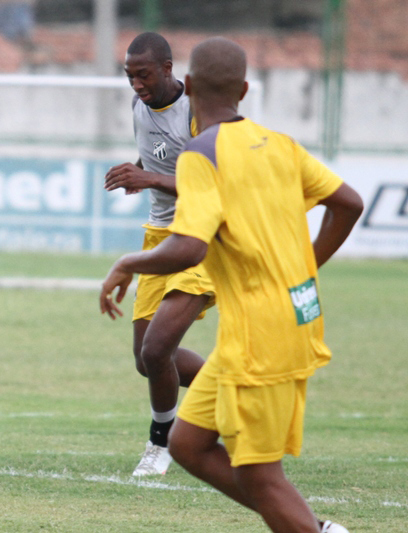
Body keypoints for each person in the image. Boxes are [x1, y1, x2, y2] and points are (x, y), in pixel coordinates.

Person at [99, 37, 361, 533]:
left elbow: (191, 248)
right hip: (280, 315)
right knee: (189, 443)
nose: (136, 83)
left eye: (145, 74)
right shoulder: (280, 144)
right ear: (244, 89)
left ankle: (320, 530)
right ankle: (166, 439)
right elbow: (349, 203)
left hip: (262, 328)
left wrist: (127, 263)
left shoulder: (203, 153)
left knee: (261, 477)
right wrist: (306, 265)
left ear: (188, 82)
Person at [102, 32, 215, 477]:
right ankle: (232, 395)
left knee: (158, 347)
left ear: (168, 68)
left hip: (203, 239)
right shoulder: (138, 108)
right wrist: (140, 173)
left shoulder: (197, 113)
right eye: (129, 76)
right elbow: (158, 162)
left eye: (143, 75)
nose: (136, 84)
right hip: (159, 236)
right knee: (146, 359)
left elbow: (215, 184)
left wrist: (150, 180)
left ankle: (160, 443)